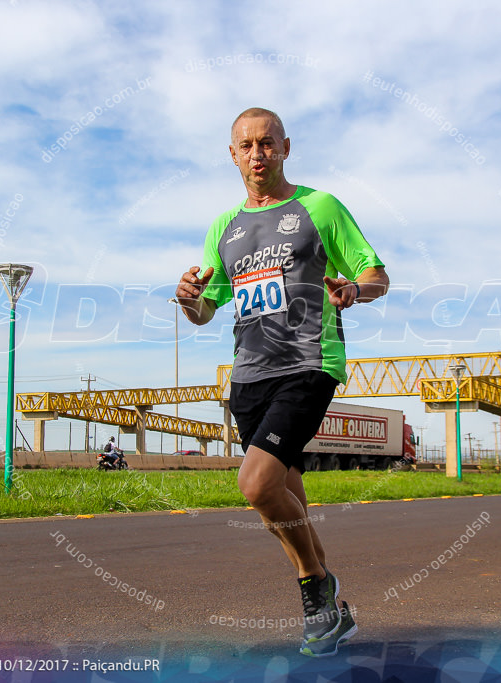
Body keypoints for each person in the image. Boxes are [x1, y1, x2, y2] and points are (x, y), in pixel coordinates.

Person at [175, 107, 388, 657]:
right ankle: (331, 607)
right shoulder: (223, 228)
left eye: (266, 143)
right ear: (232, 155)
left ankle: (315, 587)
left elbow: (376, 273)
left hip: (309, 363)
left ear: (286, 147)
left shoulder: (320, 207)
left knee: (257, 484)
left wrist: (354, 292)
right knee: (286, 496)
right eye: (245, 146)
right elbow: (208, 309)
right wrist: (191, 302)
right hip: (249, 374)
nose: (256, 154)